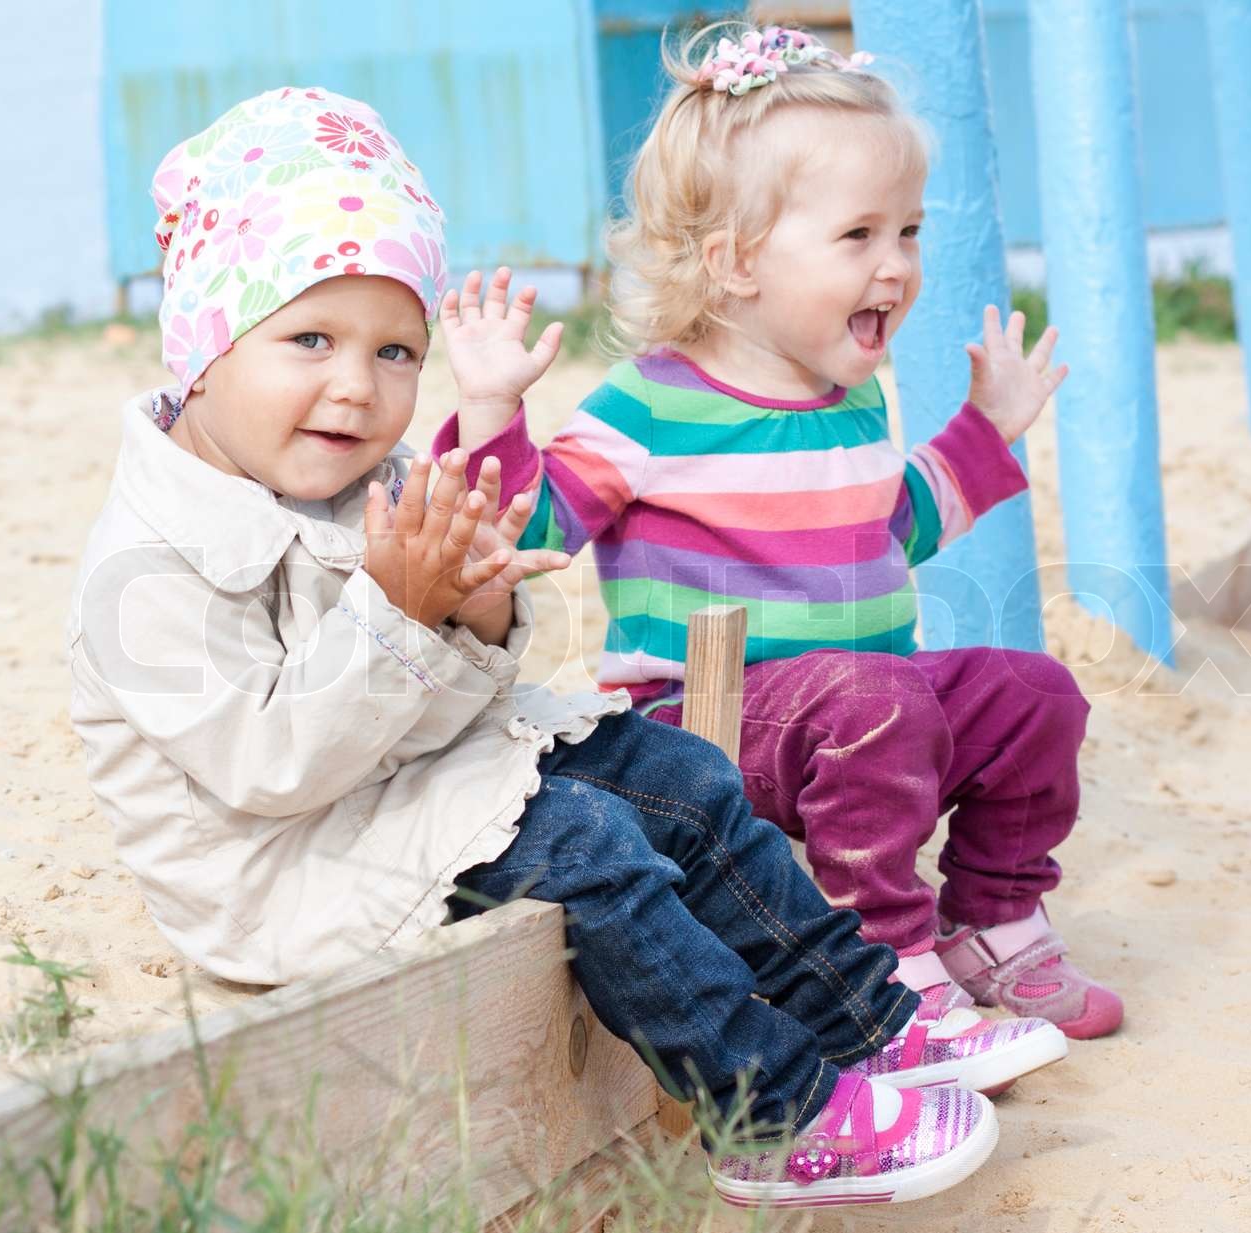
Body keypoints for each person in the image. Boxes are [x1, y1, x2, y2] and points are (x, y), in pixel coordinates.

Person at [67, 85, 1059, 1208]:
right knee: (582, 834)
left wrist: (476, 611)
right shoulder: (144, 567)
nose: (356, 386)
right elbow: (271, 770)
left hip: (387, 800)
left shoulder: (357, 484)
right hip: (281, 874)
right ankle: (771, 1117)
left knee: (674, 773)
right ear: (202, 345)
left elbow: (442, 703)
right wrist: (399, 616)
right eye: (309, 340)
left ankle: (862, 1023)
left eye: (396, 351)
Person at [432, 23, 1122, 1040]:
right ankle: (883, 969)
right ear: (736, 261)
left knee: (1032, 694)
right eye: (858, 237)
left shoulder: (846, 400)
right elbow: (533, 527)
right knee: (874, 698)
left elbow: (891, 528)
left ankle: (992, 917)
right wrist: (492, 409)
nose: (895, 267)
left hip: (864, 717)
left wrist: (988, 432)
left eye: (909, 233)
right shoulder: (653, 404)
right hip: (700, 729)